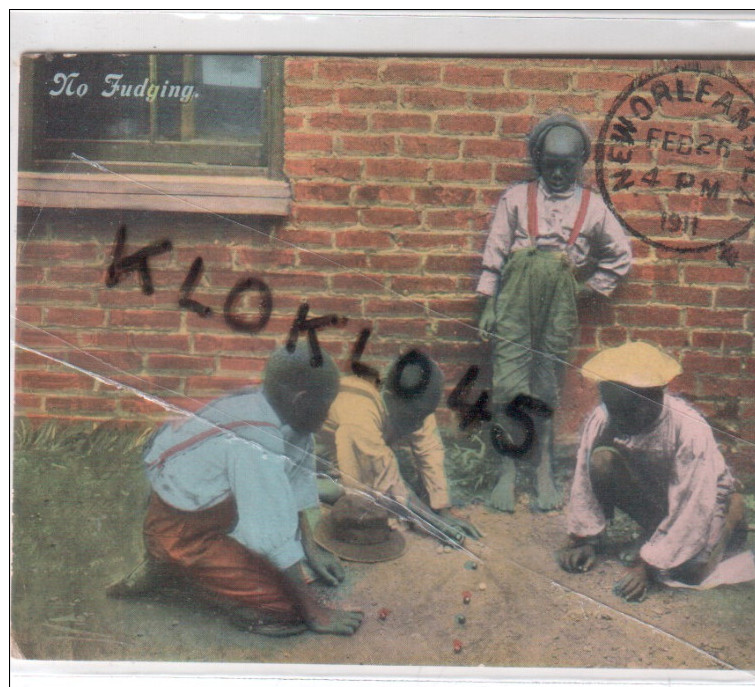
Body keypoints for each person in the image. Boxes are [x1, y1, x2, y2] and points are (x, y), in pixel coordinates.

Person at [107, 342, 363, 638]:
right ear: (301, 399)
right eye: (326, 403)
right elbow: (271, 532)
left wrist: (311, 548)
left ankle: (173, 564)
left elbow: (292, 483)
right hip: (181, 528)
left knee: (291, 567)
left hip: (212, 504)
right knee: (286, 609)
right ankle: (172, 566)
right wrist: (315, 612)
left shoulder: (284, 414)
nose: (328, 412)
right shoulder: (257, 438)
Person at [476, 113, 633, 513]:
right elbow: (494, 256)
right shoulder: (516, 199)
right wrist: (490, 306)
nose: (559, 173)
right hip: (513, 297)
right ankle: (507, 472)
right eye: (551, 165)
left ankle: (542, 469)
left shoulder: (593, 208)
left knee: (546, 385)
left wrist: (584, 289)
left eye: (568, 166)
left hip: (560, 300)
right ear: (538, 161)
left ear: (580, 163)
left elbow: (620, 256)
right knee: (509, 382)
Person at [557, 342, 750, 602]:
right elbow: (584, 479)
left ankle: (733, 513)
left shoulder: (689, 428)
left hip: (704, 497)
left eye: (631, 412)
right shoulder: (604, 418)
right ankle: (655, 534)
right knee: (601, 460)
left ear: (657, 398)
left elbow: (692, 502)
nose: (621, 421)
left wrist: (648, 567)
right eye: (616, 412)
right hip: (657, 495)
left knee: (691, 571)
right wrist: (585, 539)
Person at [322, 350, 481, 545]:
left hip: (358, 453)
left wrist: (441, 509)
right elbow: (388, 479)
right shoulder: (359, 412)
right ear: (389, 397)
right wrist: (435, 523)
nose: (418, 424)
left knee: (387, 494)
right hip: (317, 465)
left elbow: (429, 449)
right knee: (359, 498)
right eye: (413, 417)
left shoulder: (413, 401)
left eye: (423, 415)